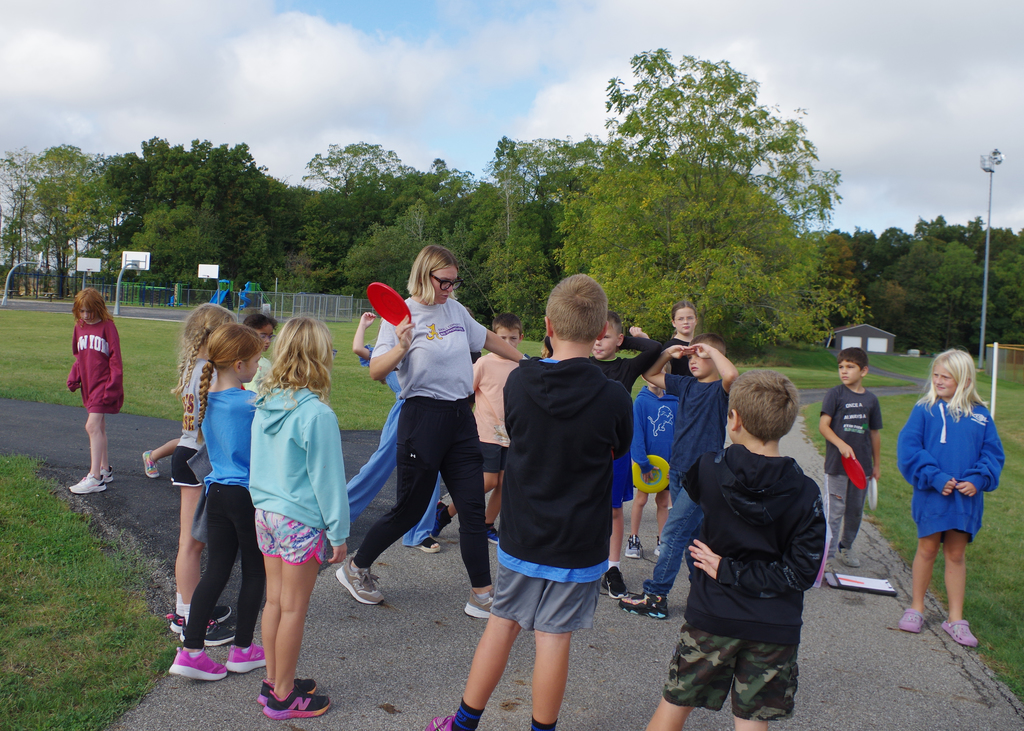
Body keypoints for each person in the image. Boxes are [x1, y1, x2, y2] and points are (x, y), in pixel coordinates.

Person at [425, 274, 633, 731]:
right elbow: (617, 448)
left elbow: (519, 432)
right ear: (602, 332)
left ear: (548, 325)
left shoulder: (521, 382)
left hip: (523, 533)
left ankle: (463, 724)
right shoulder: (615, 396)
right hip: (578, 543)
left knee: (502, 623)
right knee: (554, 639)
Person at [337, 245, 524, 617]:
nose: (450, 289)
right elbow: (376, 370)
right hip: (421, 418)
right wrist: (403, 346)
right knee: (408, 510)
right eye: (444, 282)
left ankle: (482, 595)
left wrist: (529, 361)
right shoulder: (400, 316)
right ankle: (355, 568)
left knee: (472, 508)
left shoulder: (455, 309)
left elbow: (486, 337)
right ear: (425, 275)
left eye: (455, 282)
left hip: (460, 418)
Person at [645, 370, 826, 731]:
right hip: (775, 628)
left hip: (713, 616)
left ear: (735, 418)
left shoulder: (709, 470)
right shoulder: (806, 492)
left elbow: (690, 501)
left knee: (673, 707)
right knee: (751, 722)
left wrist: (728, 569)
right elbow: (801, 572)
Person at [249, 317, 349, 719]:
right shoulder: (317, 414)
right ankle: (284, 696)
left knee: (274, 602)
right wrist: (339, 532)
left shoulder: (264, 401)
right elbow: (329, 481)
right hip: (299, 521)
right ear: (320, 357)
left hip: (266, 514)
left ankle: (274, 679)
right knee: (293, 609)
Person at [169, 323, 267, 680]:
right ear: (239, 365)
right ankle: (243, 648)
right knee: (255, 571)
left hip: (216, 495)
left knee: (217, 570)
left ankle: (191, 650)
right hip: (246, 494)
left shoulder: (210, 398)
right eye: (257, 360)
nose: (259, 366)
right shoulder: (251, 404)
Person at [619, 333, 739, 620]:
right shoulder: (685, 385)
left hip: (703, 475)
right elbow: (650, 373)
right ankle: (706, 594)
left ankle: (656, 595)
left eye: (701, 356)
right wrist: (668, 353)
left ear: (714, 356)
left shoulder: (720, 391)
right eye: (692, 356)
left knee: (672, 532)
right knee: (693, 537)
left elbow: (732, 373)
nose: (694, 360)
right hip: (678, 470)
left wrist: (710, 347)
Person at [896, 349, 1003, 647]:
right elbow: (909, 450)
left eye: (947, 377)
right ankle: (916, 608)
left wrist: (978, 479)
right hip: (933, 496)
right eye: (936, 375)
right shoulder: (924, 409)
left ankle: (955, 619)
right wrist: (936, 477)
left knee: (956, 555)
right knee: (927, 550)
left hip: (964, 501)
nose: (939, 381)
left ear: (965, 380)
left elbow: (992, 455)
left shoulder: (981, 416)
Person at [162, 303, 236, 643]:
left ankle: (188, 608)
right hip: (196, 459)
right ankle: (188, 616)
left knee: (191, 544)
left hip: (188, 454)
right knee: (191, 545)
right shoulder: (212, 371)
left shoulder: (198, 365)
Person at [347, 311, 441, 553]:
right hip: (403, 416)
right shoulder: (389, 360)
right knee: (378, 466)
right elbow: (358, 349)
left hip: (429, 413)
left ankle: (418, 532)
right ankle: (339, 513)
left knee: (432, 471)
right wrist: (363, 324)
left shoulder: (417, 356)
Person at [591, 311, 662, 598]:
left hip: (616, 452)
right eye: (594, 335)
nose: (598, 342)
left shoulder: (626, 368)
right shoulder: (581, 363)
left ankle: (612, 568)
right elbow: (550, 337)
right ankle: (579, 561)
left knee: (614, 509)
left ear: (619, 340)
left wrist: (623, 339)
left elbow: (654, 348)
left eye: (605, 336)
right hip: (583, 452)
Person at [434, 313, 523, 544]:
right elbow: (466, 393)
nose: (507, 343)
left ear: (520, 338)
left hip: (512, 436)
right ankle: (445, 513)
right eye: (502, 337)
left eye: (513, 338)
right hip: (485, 432)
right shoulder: (484, 363)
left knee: (506, 484)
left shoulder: (521, 365)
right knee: (488, 481)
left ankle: (487, 523)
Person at [818, 347, 882, 569]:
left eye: (850, 367)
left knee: (855, 511)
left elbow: (874, 433)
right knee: (834, 512)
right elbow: (824, 426)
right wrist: (840, 444)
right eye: (841, 367)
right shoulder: (835, 394)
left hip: (861, 468)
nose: (844, 371)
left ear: (863, 371)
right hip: (836, 466)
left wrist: (876, 465)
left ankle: (847, 545)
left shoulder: (872, 400)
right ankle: (826, 553)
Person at [67, 288, 122, 494]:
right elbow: (79, 356)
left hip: (104, 383)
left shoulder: (108, 327)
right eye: (82, 311)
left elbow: (116, 359)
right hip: (89, 385)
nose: (86, 316)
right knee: (99, 427)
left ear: (98, 308)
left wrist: (113, 386)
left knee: (91, 426)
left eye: (90, 311)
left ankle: (95, 478)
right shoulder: (79, 326)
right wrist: (75, 376)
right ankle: (105, 469)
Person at [626, 367, 677, 560]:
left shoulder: (675, 402)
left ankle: (662, 540)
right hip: (647, 465)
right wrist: (642, 463)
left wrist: (676, 465)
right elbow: (636, 434)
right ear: (643, 375)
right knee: (640, 500)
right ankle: (634, 539)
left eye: (661, 372)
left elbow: (680, 435)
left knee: (663, 502)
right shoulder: (641, 402)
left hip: (668, 467)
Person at [662, 300, 698, 378]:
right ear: (673, 323)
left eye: (690, 318)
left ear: (696, 320)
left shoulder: (701, 345)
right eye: (680, 319)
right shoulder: (669, 347)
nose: (685, 322)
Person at [243, 311, 278, 389]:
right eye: (263, 336)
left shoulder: (266, 363)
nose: (268, 341)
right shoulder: (248, 362)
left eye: (270, 336)